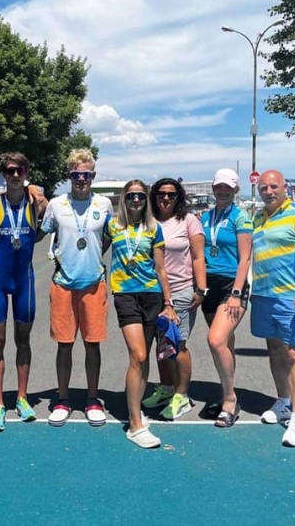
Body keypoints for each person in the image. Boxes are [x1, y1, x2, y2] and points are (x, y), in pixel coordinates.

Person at [39, 148, 114, 428]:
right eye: (76, 175)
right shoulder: (56, 204)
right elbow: (40, 233)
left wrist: (93, 257)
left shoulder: (104, 204)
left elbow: (110, 236)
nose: (81, 179)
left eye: (86, 175)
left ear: (93, 176)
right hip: (63, 284)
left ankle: (92, 400)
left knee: (92, 345)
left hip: (93, 283)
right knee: (64, 345)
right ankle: (62, 400)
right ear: (69, 176)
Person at [251, 170, 295, 447]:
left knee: (294, 355)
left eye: (274, 186)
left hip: (291, 297)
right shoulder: (258, 217)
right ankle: (283, 401)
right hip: (263, 296)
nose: (269, 191)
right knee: (274, 349)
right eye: (263, 187)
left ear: (285, 188)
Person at [104, 180, 178, 448]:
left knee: (144, 357)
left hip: (152, 295)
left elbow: (160, 268)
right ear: (123, 199)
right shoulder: (112, 226)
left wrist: (168, 302)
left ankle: (136, 410)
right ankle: (134, 424)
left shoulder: (154, 228)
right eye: (130, 196)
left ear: (146, 199)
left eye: (140, 196)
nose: (135, 200)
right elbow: (92, 248)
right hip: (125, 295)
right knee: (138, 355)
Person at [0, 152, 48, 432]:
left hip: (24, 281)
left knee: (23, 341)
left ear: (27, 172)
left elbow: (50, 224)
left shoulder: (36, 202)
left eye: (20, 170)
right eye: (10, 171)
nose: (16, 175)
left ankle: (21, 398)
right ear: (3, 175)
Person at [141, 178, 206, 420]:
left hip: (180, 291)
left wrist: (201, 289)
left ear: (179, 197)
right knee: (161, 345)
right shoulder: (147, 221)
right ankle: (166, 389)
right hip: (151, 292)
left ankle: (182, 395)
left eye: (171, 194)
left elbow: (198, 257)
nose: (166, 198)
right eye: (161, 194)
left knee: (177, 344)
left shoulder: (188, 221)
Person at [198, 169, 253, 428]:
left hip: (232, 285)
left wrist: (236, 293)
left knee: (216, 340)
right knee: (226, 345)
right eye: (218, 187)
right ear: (213, 188)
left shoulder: (240, 218)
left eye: (227, 188)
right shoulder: (205, 217)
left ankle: (230, 399)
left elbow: (245, 258)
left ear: (236, 191)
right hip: (209, 285)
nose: (222, 191)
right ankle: (224, 395)